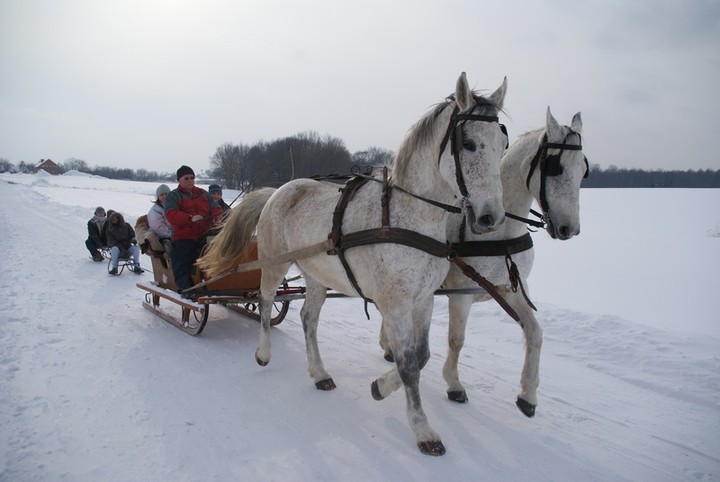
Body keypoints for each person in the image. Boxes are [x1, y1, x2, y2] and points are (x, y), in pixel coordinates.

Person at [165, 165, 223, 293]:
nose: (190, 180)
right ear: (179, 180)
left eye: (192, 178)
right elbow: (171, 214)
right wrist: (190, 218)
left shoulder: (203, 193)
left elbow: (216, 207)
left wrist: (217, 216)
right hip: (184, 236)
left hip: (205, 234)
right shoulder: (173, 196)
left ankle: (218, 280)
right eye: (186, 178)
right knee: (182, 258)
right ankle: (187, 288)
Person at [147, 184, 174, 257]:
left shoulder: (174, 205)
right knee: (172, 246)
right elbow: (158, 227)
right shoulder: (155, 210)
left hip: (175, 233)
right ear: (158, 197)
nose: (164, 196)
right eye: (162, 194)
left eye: (166, 194)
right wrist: (171, 234)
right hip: (162, 235)